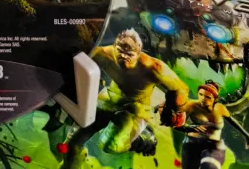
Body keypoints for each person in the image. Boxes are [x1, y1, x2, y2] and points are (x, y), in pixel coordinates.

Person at [63, 29, 189, 168]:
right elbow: (76, 64)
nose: (123, 56)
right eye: (120, 51)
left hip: (136, 108)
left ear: (139, 51)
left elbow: (181, 89)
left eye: (129, 54)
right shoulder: (104, 54)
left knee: (109, 145)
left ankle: (139, 141)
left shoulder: (154, 67)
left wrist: (173, 108)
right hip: (109, 99)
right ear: (115, 46)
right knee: (72, 143)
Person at [165, 80, 249, 168]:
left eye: (208, 97)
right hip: (192, 144)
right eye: (200, 94)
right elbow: (176, 124)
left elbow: (233, 122)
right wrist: (190, 127)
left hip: (214, 146)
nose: (203, 99)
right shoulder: (191, 105)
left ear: (215, 99)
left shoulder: (220, 109)